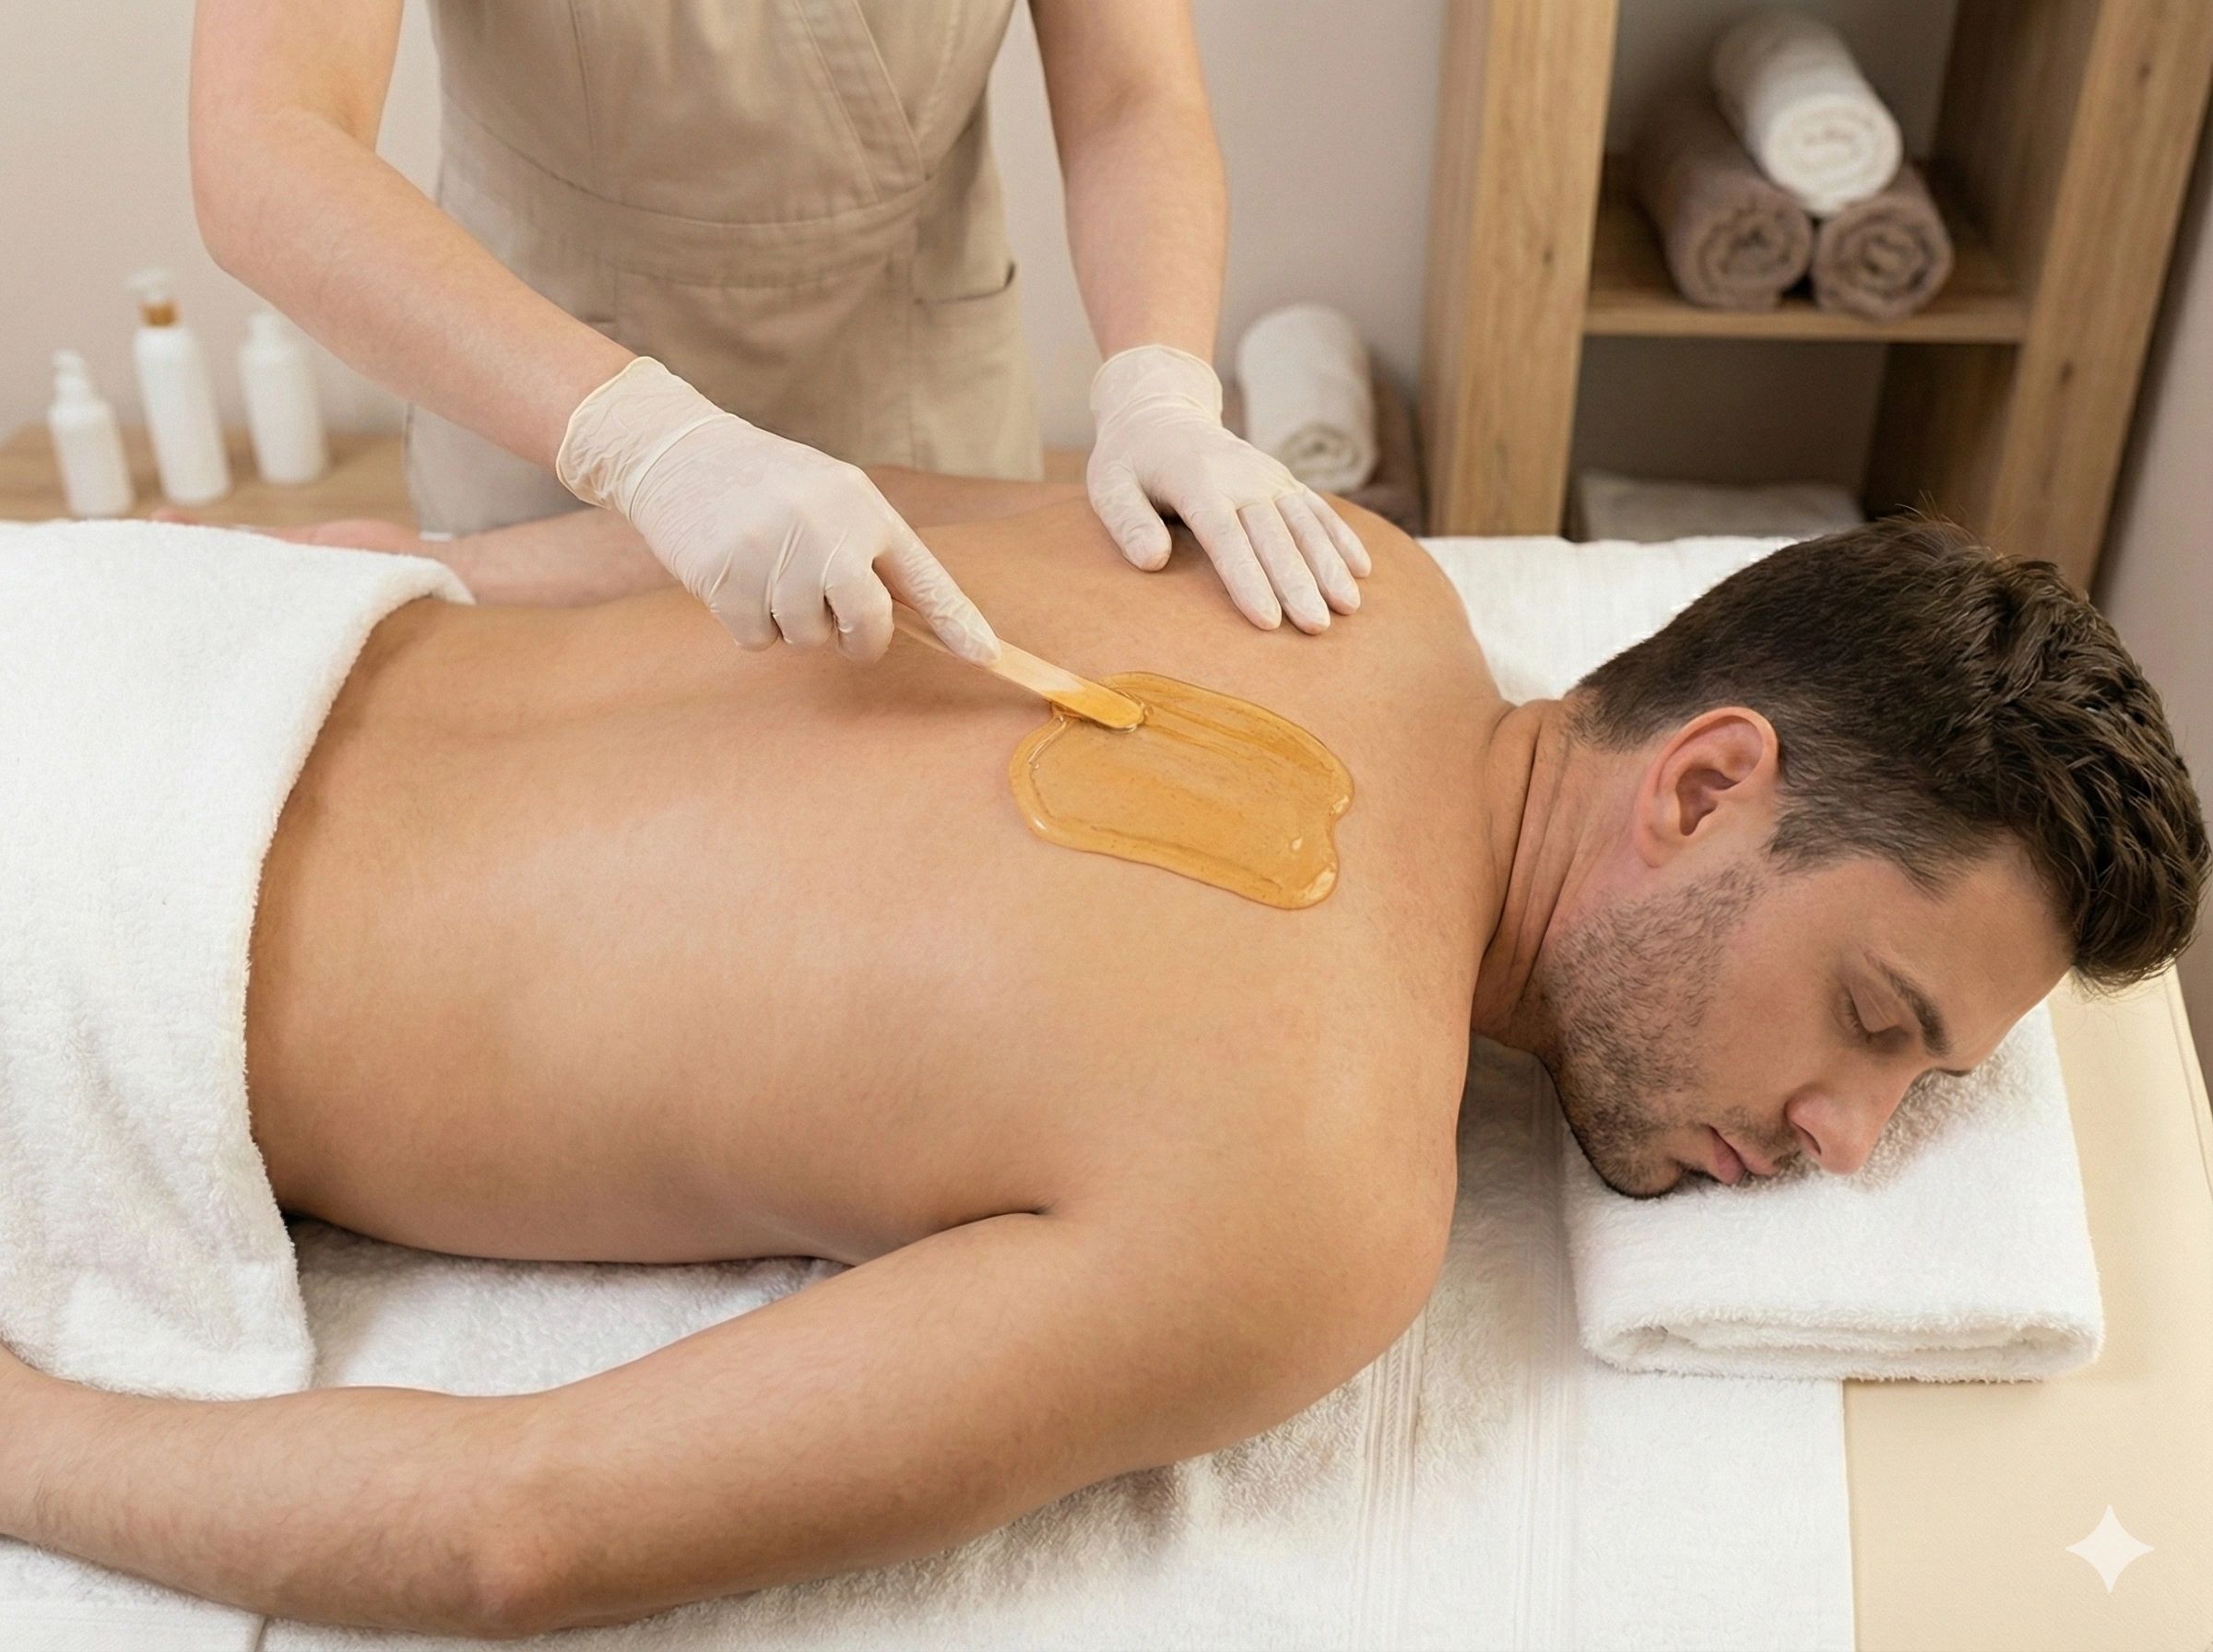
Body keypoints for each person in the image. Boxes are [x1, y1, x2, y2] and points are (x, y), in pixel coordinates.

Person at [0, 484, 2202, 1636]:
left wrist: (426, 569)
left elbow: (786, 516)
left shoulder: (1336, 572)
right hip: (80, 958)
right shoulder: (1319, 1189)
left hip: (137, 635)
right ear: (1704, 783)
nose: (1845, 1141)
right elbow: (524, 1535)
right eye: (1873, 1020)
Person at [188, 0, 1373, 668]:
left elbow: (1131, 96)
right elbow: (265, 143)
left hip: (917, 366)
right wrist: (647, 443)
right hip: (551, 387)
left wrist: (1159, 379)